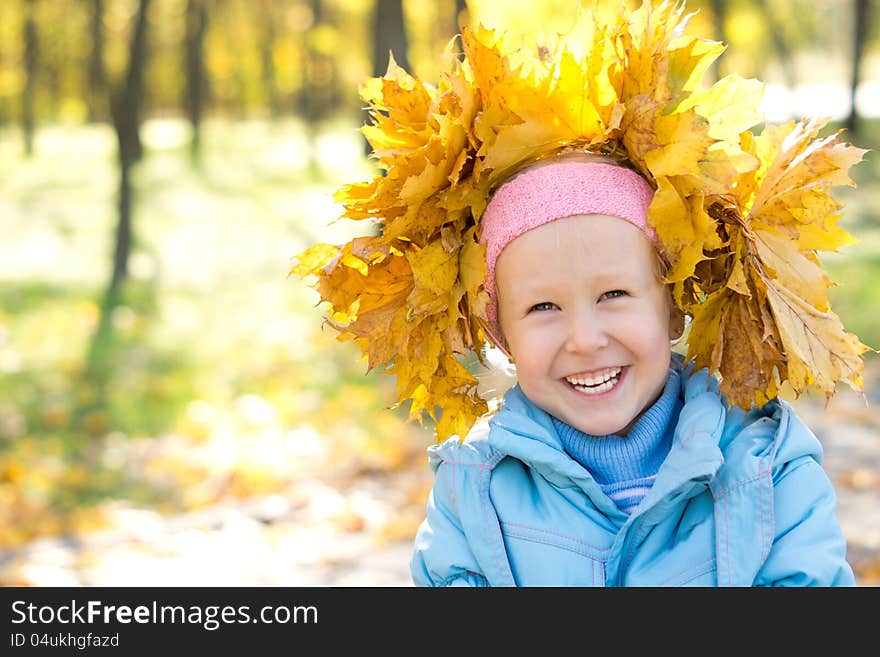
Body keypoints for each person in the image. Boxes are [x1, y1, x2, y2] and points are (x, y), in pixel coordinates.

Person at [291, 0, 868, 586]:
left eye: (614, 294)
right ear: (501, 335)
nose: (585, 339)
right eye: (542, 308)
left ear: (672, 305)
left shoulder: (764, 465)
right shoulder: (475, 485)